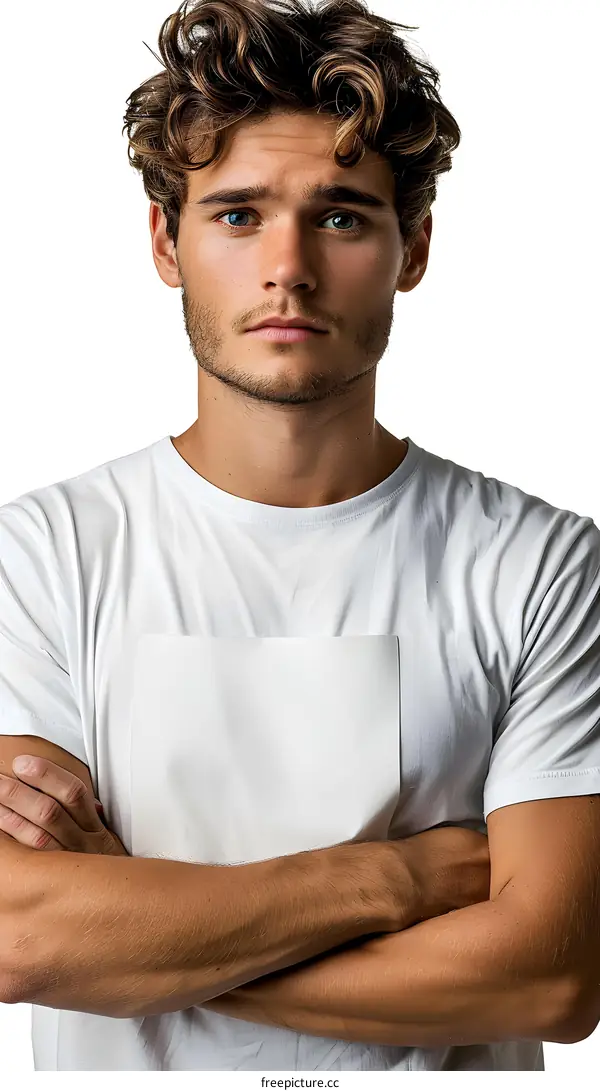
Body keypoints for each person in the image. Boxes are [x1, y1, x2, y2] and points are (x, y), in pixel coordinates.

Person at [0, 0, 599, 1073]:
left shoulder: (542, 566)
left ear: (412, 247)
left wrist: (137, 941)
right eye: (236, 215)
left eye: (339, 216)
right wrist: (396, 881)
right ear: (164, 243)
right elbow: (22, 932)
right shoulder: (38, 559)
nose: (288, 266)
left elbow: (550, 975)